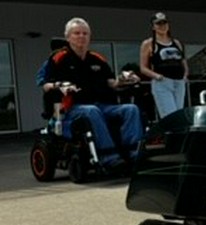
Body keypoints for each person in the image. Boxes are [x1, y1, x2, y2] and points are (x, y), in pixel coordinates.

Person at [40, 17, 144, 170]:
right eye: (77, 33)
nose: (81, 36)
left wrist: (125, 80)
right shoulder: (58, 58)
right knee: (92, 111)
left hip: (102, 105)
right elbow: (45, 85)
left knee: (131, 109)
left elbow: (112, 83)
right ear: (68, 37)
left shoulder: (97, 59)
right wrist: (58, 85)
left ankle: (134, 154)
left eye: (85, 33)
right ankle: (109, 157)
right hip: (72, 107)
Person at [139, 12, 189, 119]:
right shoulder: (149, 43)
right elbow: (143, 68)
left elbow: (183, 61)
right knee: (169, 115)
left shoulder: (176, 42)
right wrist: (157, 76)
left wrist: (185, 75)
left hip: (179, 82)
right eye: (159, 24)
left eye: (164, 23)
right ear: (153, 27)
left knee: (179, 114)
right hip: (163, 83)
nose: (162, 26)